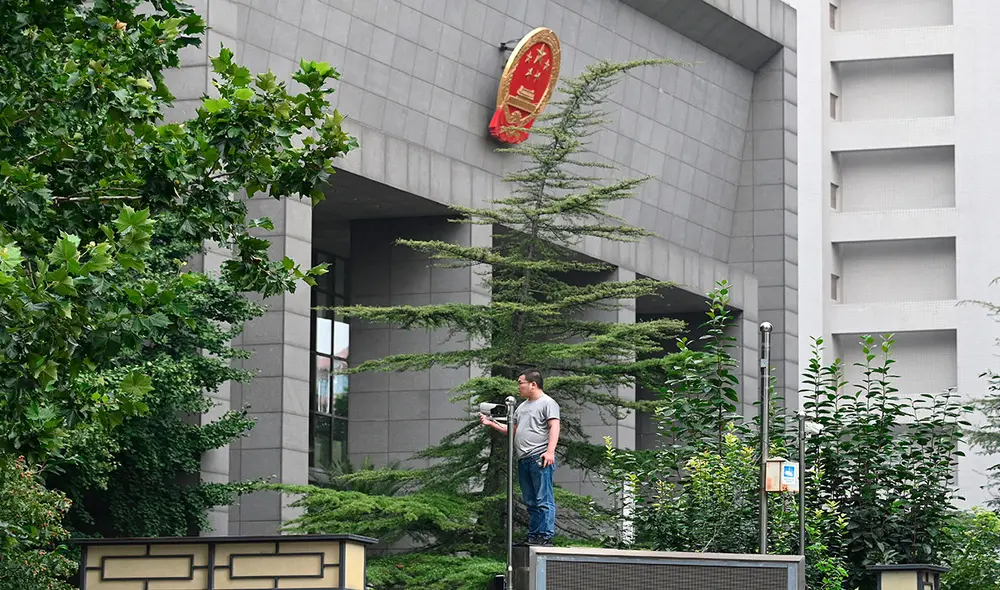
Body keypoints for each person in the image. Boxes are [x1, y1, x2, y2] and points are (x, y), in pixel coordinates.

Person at [480, 369, 561, 546]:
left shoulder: (548, 403)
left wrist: (550, 451)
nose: (518, 387)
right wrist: (491, 423)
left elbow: (554, 426)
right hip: (524, 458)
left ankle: (545, 535)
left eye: (520, 383)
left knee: (543, 498)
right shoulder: (522, 407)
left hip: (539, 457)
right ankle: (534, 536)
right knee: (531, 500)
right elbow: (514, 430)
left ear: (533, 384)